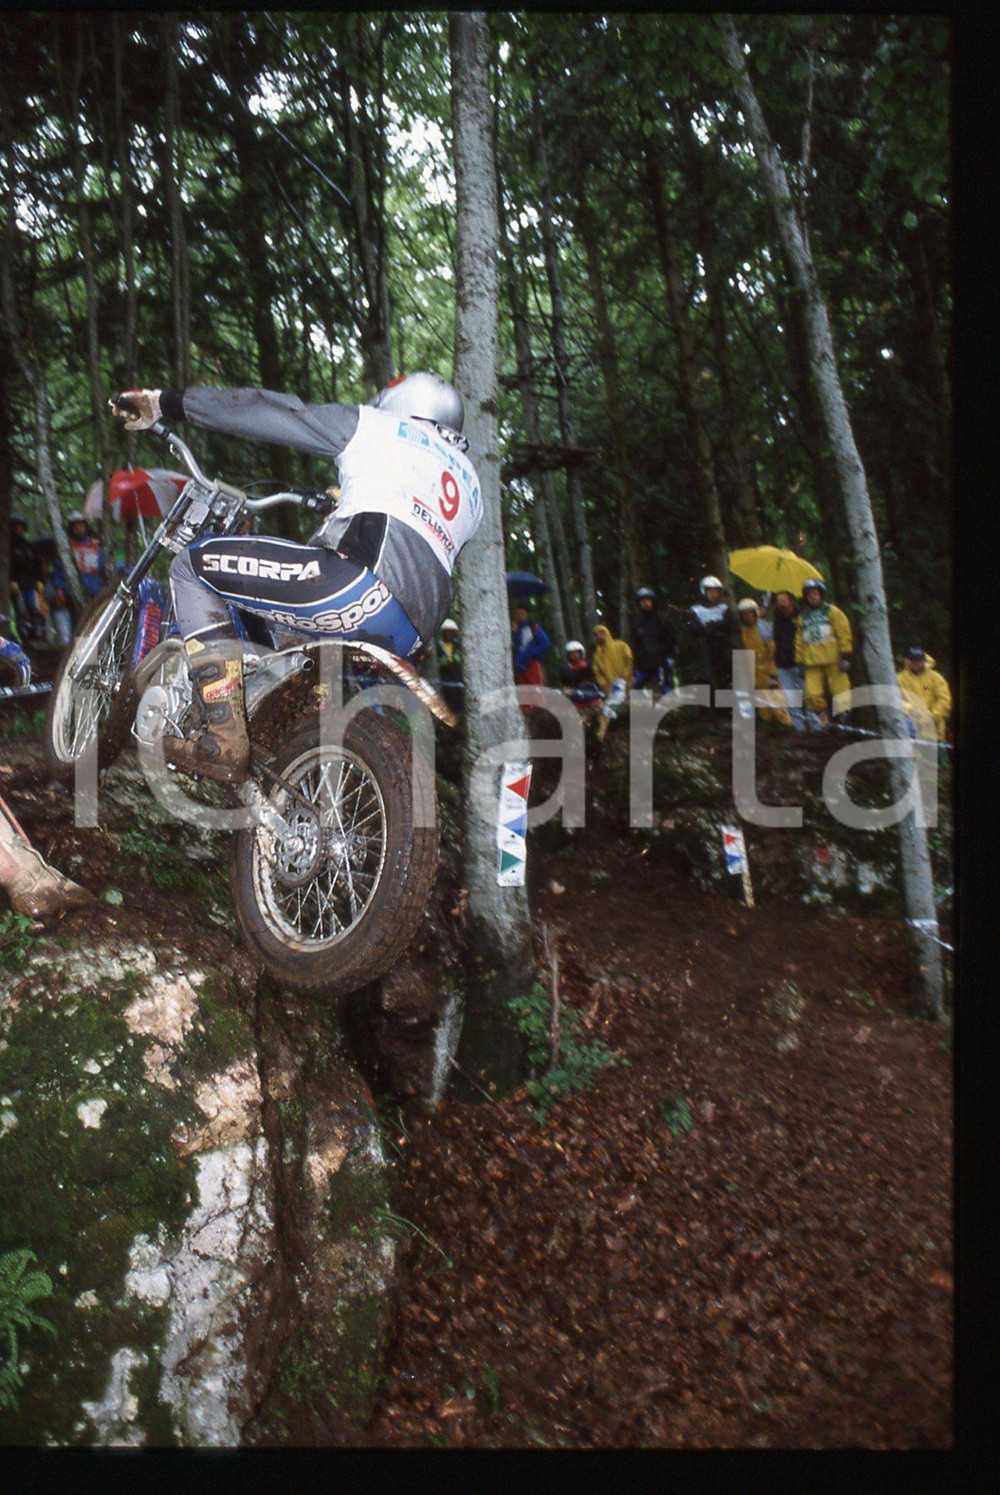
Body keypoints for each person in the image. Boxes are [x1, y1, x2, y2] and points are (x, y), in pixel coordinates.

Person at [110, 373, 482, 783]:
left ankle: (224, 737)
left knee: (190, 564)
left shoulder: (379, 427)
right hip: (409, 630)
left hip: (354, 588)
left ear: (397, 404)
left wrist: (169, 403)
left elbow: (272, 411)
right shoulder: (471, 486)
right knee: (281, 643)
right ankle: (281, 739)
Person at [795, 577, 852, 725]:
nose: (812, 596)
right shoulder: (803, 618)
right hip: (812, 661)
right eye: (809, 594)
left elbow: (843, 632)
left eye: (814, 593)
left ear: (820, 594)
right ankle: (824, 720)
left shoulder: (832, 611)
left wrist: (846, 655)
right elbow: (799, 641)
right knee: (812, 695)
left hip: (834, 659)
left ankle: (843, 719)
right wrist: (800, 661)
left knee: (841, 692)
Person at [737, 598, 791, 725]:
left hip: (770, 673)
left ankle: (788, 728)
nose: (747, 616)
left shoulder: (765, 628)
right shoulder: (742, 634)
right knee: (764, 710)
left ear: (755, 613)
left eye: (749, 613)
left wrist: (774, 674)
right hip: (755, 676)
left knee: (778, 705)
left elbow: (774, 653)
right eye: (744, 614)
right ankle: (771, 734)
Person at [688, 574, 739, 704]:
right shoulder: (695, 610)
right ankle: (709, 712)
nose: (713, 594)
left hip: (722, 648)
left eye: (716, 591)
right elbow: (694, 628)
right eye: (710, 591)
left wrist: (711, 625)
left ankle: (726, 708)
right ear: (704, 591)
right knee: (707, 678)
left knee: (726, 677)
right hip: (705, 649)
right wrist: (710, 627)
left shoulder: (724, 609)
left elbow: (729, 625)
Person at [897, 647, 952, 742]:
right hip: (909, 730)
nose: (915, 662)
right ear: (908, 660)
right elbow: (895, 699)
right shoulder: (900, 678)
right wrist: (910, 710)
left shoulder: (936, 677)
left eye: (918, 660)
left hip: (934, 730)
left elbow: (944, 699)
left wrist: (933, 716)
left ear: (923, 660)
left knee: (936, 755)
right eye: (912, 659)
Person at [770, 590, 807, 731]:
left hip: (800, 663)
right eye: (779, 601)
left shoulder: (801, 617)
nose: (781, 604)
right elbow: (771, 638)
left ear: (791, 601)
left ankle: (816, 728)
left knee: (808, 697)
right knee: (791, 699)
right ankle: (799, 729)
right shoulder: (777, 619)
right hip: (783, 664)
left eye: (784, 600)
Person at [591, 623, 633, 743]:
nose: (599, 636)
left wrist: (624, 677)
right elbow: (597, 672)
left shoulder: (620, 645)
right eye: (596, 635)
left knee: (610, 708)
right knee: (608, 709)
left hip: (625, 683)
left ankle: (601, 735)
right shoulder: (597, 655)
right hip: (610, 688)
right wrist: (605, 684)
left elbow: (629, 660)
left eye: (601, 633)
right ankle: (601, 736)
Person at [631, 586, 677, 697]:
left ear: (652, 601)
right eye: (642, 601)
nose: (645, 603)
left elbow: (671, 640)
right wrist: (637, 664)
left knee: (666, 691)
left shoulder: (661, 619)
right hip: (644, 665)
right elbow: (636, 645)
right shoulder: (638, 622)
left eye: (647, 600)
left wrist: (669, 657)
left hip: (661, 663)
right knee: (635, 689)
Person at [9, 517, 45, 644]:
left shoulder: (29, 546)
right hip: (16, 585)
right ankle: (22, 637)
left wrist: (40, 581)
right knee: (20, 611)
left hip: (31, 584)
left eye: (21, 527)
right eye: (16, 527)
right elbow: (7, 566)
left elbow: (38, 565)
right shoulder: (8, 547)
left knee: (35, 610)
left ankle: (36, 635)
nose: (19, 530)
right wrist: (11, 580)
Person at [66, 510, 108, 600]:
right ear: (71, 529)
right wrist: (60, 589)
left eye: (81, 525)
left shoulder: (96, 545)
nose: (78, 529)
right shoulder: (68, 548)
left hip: (96, 589)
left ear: (86, 526)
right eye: (75, 527)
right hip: (74, 591)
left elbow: (104, 567)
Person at [511, 603, 551, 688]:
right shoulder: (515, 629)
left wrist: (529, 653)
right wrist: (514, 632)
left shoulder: (534, 627)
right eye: (517, 614)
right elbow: (515, 646)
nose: (520, 616)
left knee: (537, 692)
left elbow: (545, 644)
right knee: (524, 695)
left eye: (522, 614)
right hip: (519, 667)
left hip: (532, 664)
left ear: (527, 615)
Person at [435, 617, 464, 710]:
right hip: (445, 681)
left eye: (451, 632)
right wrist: (444, 662)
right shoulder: (438, 646)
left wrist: (457, 660)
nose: (449, 634)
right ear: (442, 632)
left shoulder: (458, 645)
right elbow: (436, 662)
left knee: (459, 707)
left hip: (458, 681)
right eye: (446, 632)